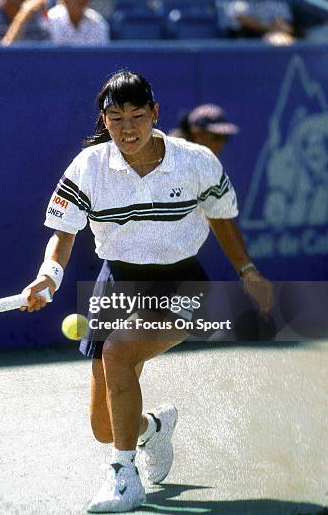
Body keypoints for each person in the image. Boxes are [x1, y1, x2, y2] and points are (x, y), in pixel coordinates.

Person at [20, 70, 273, 512]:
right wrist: (49, 276)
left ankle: (123, 477)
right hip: (116, 284)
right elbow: (63, 234)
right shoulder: (89, 167)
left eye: (138, 115)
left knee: (118, 353)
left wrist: (248, 271)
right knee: (104, 425)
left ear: (156, 114)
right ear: (104, 121)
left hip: (182, 285)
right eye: (116, 119)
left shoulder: (196, 161)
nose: (128, 128)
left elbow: (221, 218)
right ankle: (154, 427)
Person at [169, 103, 240, 155]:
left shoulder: (206, 163)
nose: (220, 144)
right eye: (217, 137)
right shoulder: (171, 156)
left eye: (225, 138)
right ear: (196, 134)